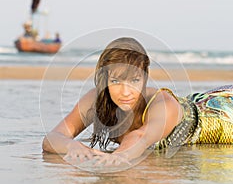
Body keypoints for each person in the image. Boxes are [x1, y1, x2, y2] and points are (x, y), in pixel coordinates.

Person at [42, 37, 233, 166]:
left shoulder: (162, 104)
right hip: (200, 101)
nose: (126, 92)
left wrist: (119, 156)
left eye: (134, 80)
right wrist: (72, 145)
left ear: (145, 78)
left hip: (224, 116)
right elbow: (52, 138)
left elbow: (140, 137)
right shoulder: (96, 98)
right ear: (104, 79)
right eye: (116, 81)